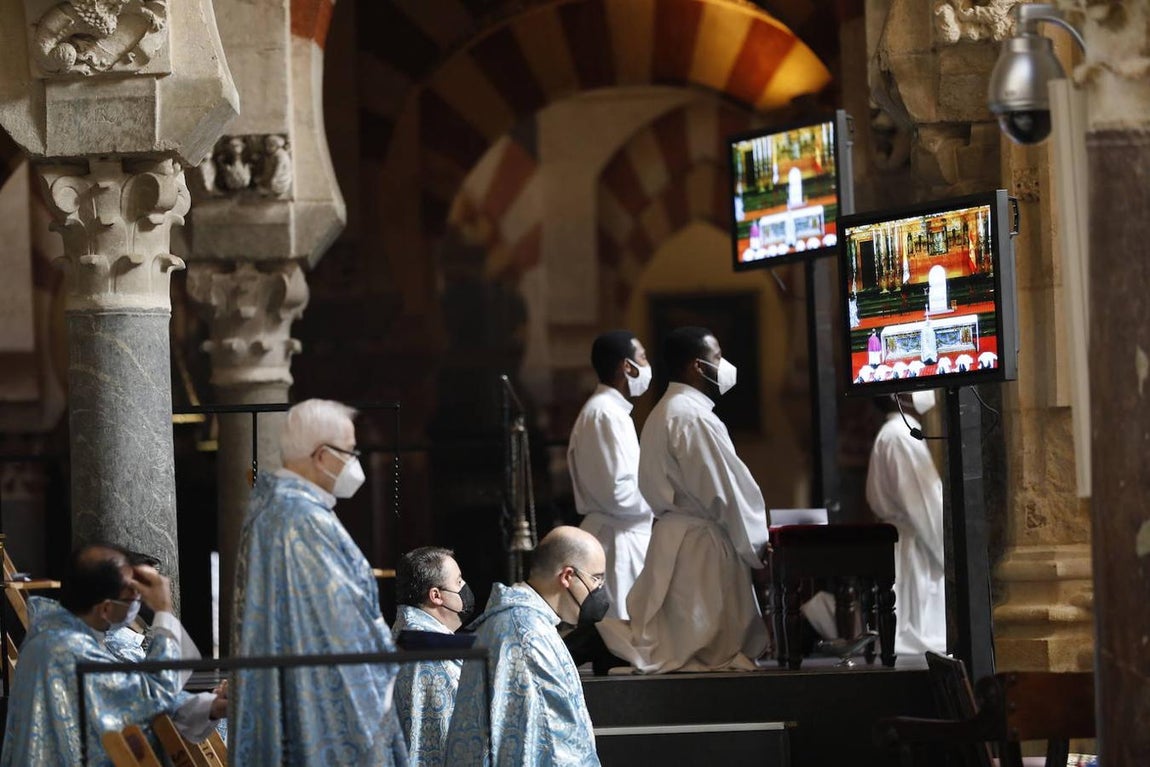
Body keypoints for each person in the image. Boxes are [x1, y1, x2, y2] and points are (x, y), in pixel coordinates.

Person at [232, 398, 407, 766]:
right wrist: (383, 647)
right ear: (323, 456)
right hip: (318, 701)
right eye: (350, 451)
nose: (354, 461)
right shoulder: (300, 519)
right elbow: (339, 617)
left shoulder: (277, 508)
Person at [598, 326, 770, 673]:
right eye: (717, 357)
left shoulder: (664, 411)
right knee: (704, 651)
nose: (724, 365)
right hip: (700, 546)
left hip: (676, 538)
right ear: (696, 366)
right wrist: (759, 547)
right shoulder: (691, 418)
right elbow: (726, 491)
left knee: (679, 641)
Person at [0, 544, 221, 766]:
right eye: (132, 597)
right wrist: (163, 610)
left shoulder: (55, 632)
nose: (138, 601)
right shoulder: (68, 649)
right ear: (106, 609)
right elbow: (153, 696)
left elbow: (130, 694)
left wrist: (210, 706)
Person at [444, 526, 604, 766]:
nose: (599, 589)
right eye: (597, 579)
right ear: (568, 576)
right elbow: (551, 742)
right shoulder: (528, 636)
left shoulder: (520, 622)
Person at [567, 330, 653, 620]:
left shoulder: (614, 412)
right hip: (617, 544)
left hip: (626, 537)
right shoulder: (603, 414)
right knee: (624, 639)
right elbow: (618, 493)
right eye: (642, 357)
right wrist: (665, 495)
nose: (647, 364)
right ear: (626, 366)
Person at [866, 392, 946, 655]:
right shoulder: (900, 435)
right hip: (913, 549)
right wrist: (951, 554)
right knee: (918, 644)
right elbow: (925, 507)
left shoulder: (897, 433)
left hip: (909, 545)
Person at [391, 546, 473, 766]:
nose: (464, 588)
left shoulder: (407, 634)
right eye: (458, 582)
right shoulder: (431, 655)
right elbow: (444, 742)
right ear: (436, 595)